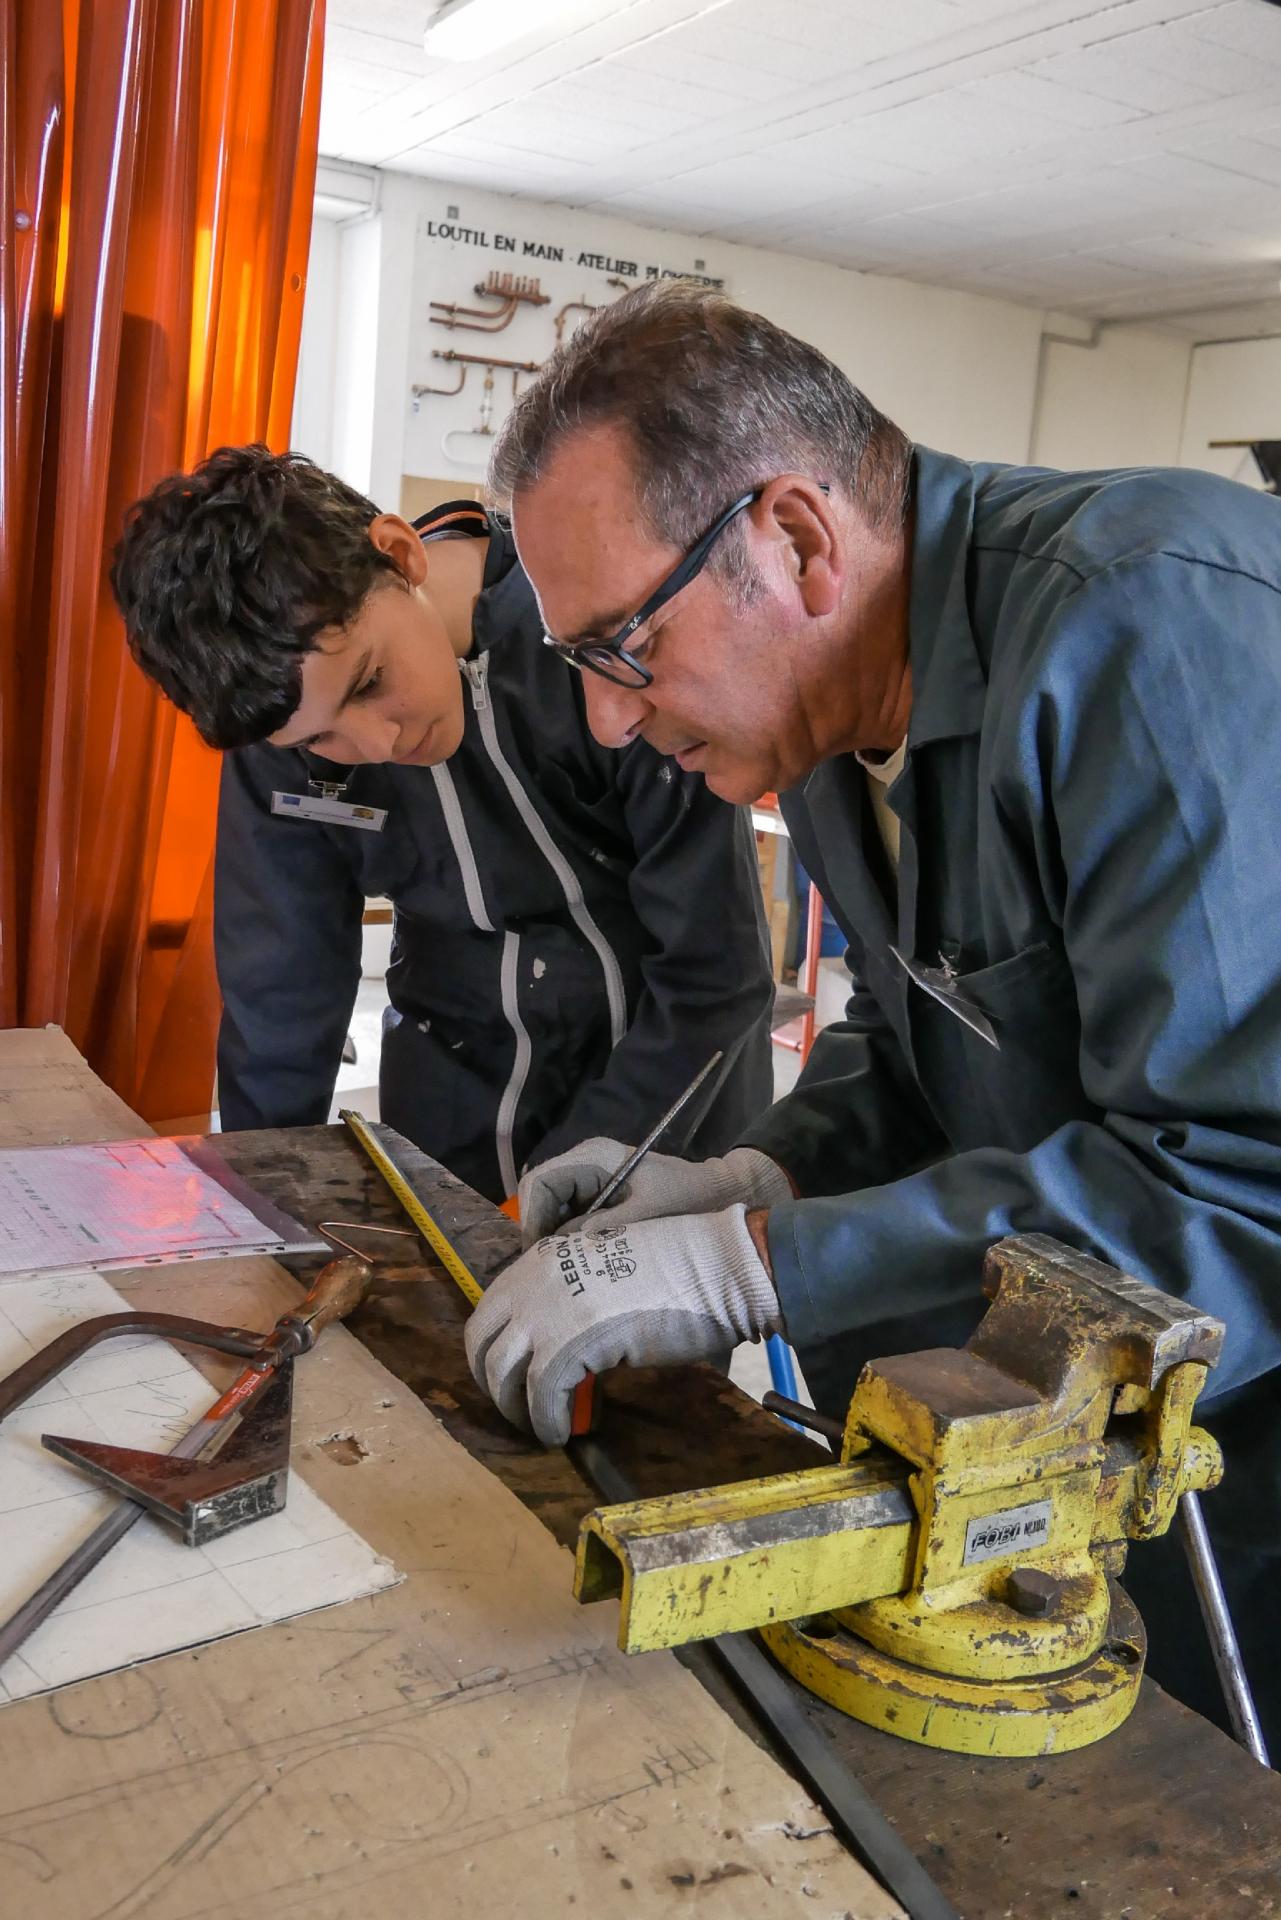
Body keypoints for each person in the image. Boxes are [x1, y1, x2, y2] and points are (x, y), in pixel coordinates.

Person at [465, 282, 1281, 1752]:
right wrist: (753, 1175)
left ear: (796, 541)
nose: (604, 721)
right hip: (1115, 1409)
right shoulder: (842, 719)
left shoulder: (1145, 628)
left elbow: (1234, 1184)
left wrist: (755, 1265)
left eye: (621, 647)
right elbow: (927, 1034)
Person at [109, 445, 775, 1203]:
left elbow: (713, 975)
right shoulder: (276, 736)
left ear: (398, 555)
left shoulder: (595, 647)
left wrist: (559, 1196)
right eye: (319, 740)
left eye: (370, 682)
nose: (376, 746)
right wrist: (258, 1203)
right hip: (450, 1106)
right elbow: (280, 996)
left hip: (664, 1107)